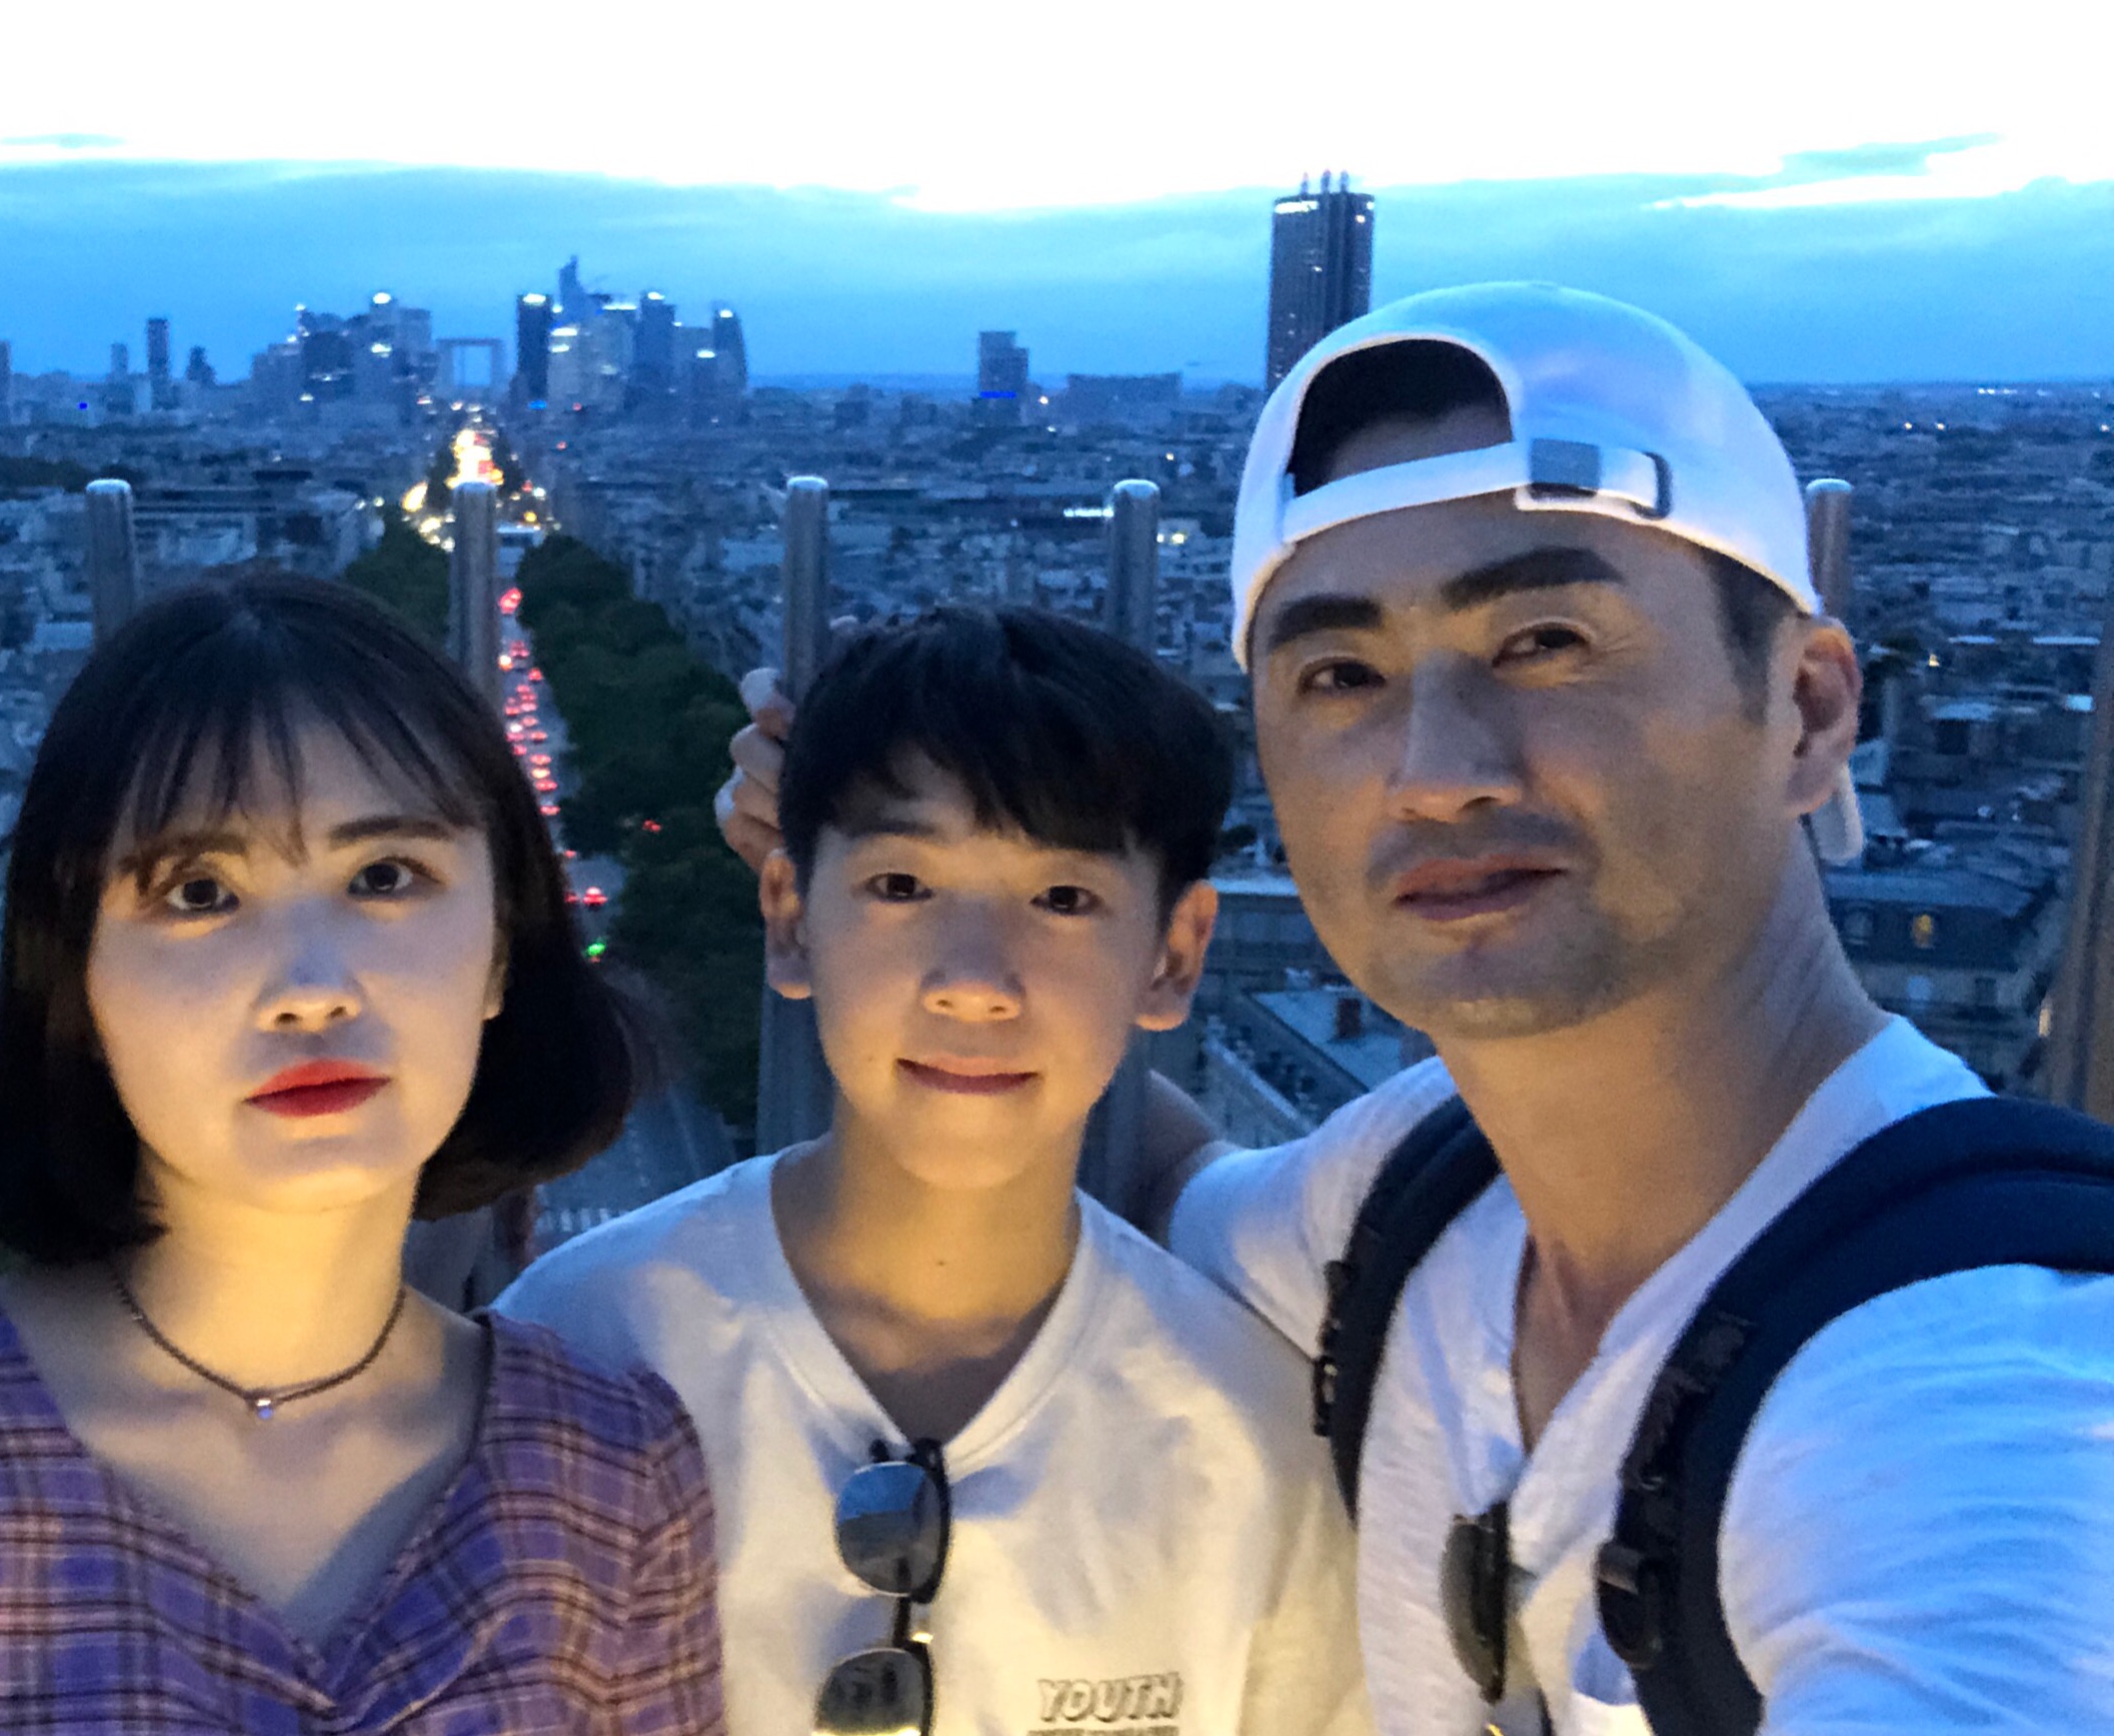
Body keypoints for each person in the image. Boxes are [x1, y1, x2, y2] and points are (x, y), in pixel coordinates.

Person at [724, 286, 2114, 1733]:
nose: (1438, 769)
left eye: (1547, 642)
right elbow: (1139, 1170)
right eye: (1342, 675)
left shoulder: (2000, 1399)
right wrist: (917, 894)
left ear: (1812, 713)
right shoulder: (1412, 1206)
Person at [0, 577, 724, 1735]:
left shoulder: (616, 1471)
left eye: (383, 878)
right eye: (202, 893)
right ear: (78, 979)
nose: (310, 987)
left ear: (502, 952)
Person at [503, 607, 1367, 1736]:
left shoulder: (1259, 1436)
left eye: (1062, 900)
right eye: (903, 886)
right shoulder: (578, 1347)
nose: (974, 979)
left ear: (1173, 954)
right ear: (789, 916)